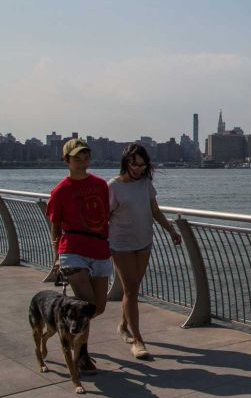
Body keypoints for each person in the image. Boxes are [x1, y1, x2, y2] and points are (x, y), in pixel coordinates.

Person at [109, 143, 182, 359]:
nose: (139, 169)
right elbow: (104, 216)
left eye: (142, 165)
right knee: (131, 289)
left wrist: (171, 231)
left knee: (133, 288)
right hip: (120, 244)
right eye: (134, 164)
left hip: (144, 242)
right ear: (126, 163)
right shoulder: (113, 186)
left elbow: (155, 211)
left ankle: (123, 325)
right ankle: (138, 340)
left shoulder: (145, 183)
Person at [48, 138, 111, 374]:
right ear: (66, 161)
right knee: (87, 305)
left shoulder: (101, 185)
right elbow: (55, 225)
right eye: (76, 158)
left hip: (99, 249)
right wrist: (56, 256)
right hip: (72, 249)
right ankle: (82, 356)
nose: (82, 161)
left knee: (99, 307)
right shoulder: (61, 190)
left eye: (85, 156)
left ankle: (69, 329)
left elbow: (105, 215)